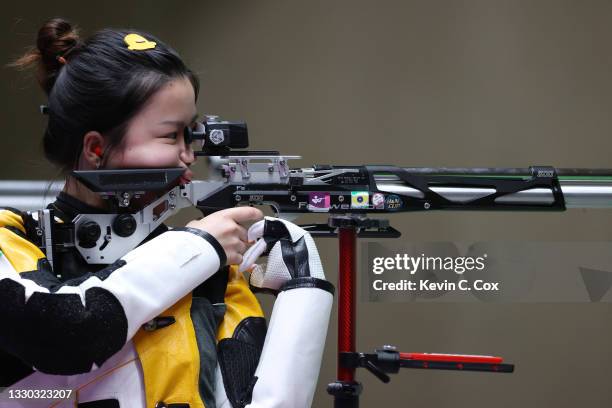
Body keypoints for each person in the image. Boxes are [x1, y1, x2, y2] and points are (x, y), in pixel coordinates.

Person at [0, 18, 333, 408]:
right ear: (94, 148)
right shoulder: (14, 238)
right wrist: (198, 247)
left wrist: (303, 286)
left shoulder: (207, 269)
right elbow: (65, 332)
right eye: (169, 136)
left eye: (190, 134)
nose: (188, 156)